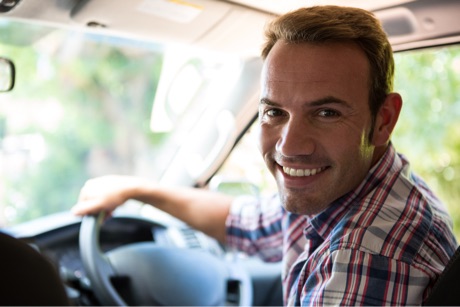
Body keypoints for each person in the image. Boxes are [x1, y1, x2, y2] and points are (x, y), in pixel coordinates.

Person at [72, 5, 458, 305]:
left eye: (326, 113)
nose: (289, 147)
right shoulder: (353, 185)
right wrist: (137, 189)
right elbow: (246, 224)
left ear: (383, 120)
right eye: (274, 112)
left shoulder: (363, 258)